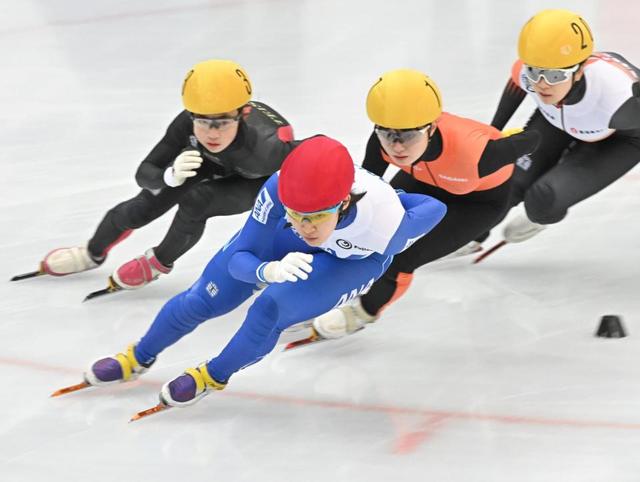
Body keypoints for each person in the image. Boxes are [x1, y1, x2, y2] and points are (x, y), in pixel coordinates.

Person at [73, 136, 447, 407]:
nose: (306, 227)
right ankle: (138, 356)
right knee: (205, 297)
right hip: (283, 245)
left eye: (315, 216)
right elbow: (243, 255)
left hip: (353, 259)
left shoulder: (383, 221)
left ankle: (212, 375)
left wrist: (399, 222)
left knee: (268, 311)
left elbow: (435, 208)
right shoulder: (278, 190)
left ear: (344, 200)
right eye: (297, 216)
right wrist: (267, 269)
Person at [307, 69, 539, 340]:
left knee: (402, 255)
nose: (397, 147)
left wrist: (509, 142)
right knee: (369, 225)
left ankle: (364, 312)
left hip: (477, 203)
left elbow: (534, 140)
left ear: (431, 127)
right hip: (427, 181)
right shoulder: (383, 142)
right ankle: (335, 283)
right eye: (387, 133)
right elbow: (363, 192)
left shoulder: (478, 155)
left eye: (408, 136)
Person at [34, 59, 296, 290]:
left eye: (222, 122)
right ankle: (92, 252)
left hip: (253, 181)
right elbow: (145, 173)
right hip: (204, 162)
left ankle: (159, 261)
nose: (212, 133)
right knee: (143, 206)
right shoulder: (187, 123)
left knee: (199, 200)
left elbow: (318, 156)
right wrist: (169, 175)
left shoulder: (268, 148)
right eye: (202, 121)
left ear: (244, 113)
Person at [471, 8, 640, 249]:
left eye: (553, 75)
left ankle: (541, 216)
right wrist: (492, 132)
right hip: (557, 119)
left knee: (543, 200)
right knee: (504, 182)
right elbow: (518, 79)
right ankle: (472, 235)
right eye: (534, 71)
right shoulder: (531, 73)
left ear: (580, 69)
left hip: (620, 138)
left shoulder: (619, 98)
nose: (541, 84)